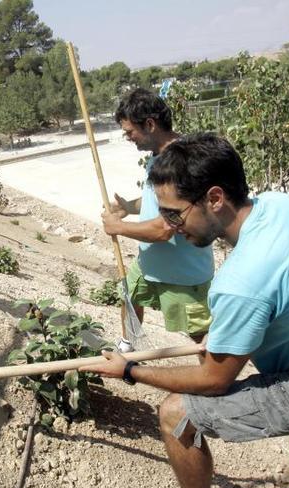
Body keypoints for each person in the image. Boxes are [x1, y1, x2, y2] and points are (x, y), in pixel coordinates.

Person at [81, 133, 289, 488]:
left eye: (175, 214)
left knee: (178, 415)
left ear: (215, 198)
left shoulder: (241, 281)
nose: (171, 227)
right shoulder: (283, 206)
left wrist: (129, 370)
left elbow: (214, 381)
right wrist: (228, 331)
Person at [103, 89, 214, 348]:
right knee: (129, 297)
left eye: (130, 132)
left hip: (183, 274)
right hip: (150, 263)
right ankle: (128, 344)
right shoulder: (157, 158)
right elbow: (158, 200)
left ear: (150, 124)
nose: (128, 138)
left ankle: (217, 382)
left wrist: (117, 227)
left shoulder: (182, 162)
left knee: (200, 338)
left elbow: (164, 229)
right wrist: (128, 207)